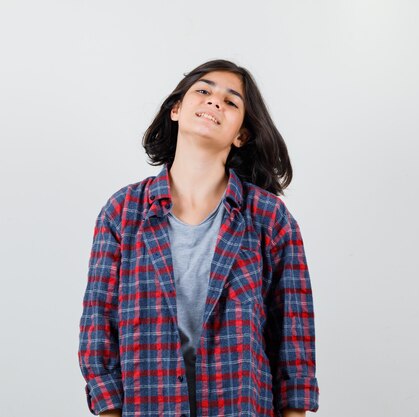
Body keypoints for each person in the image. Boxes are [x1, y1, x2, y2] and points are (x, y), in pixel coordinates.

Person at [78, 59, 319, 417]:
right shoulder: (123, 212)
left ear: (242, 135)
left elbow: (294, 341)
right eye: (203, 91)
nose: (214, 102)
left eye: (231, 101)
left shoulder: (270, 218)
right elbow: (98, 328)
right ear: (177, 109)